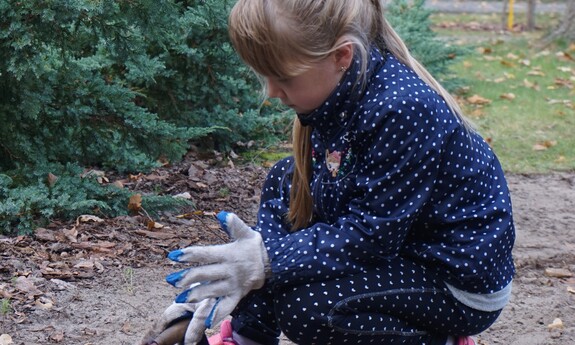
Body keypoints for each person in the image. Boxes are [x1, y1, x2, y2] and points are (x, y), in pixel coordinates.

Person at [142, 0, 515, 344]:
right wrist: (233, 285)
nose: (271, 91)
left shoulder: (402, 109)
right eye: (264, 76)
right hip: (400, 251)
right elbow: (323, 207)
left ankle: (436, 338)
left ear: (341, 56)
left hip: (454, 282)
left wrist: (267, 261)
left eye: (284, 78)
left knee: (307, 310)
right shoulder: (341, 92)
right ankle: (247, 335)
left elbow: (371, 237)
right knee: (284, 181)